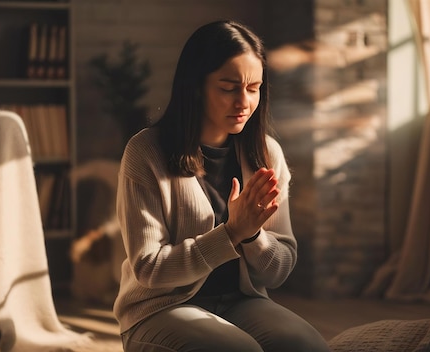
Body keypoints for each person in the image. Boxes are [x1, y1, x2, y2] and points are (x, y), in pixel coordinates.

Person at [113, 19, 331, 352]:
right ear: (197, 86)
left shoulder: (266, 152)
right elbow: (149, 269)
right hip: (159, 309)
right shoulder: (146, 153)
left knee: (308, 345)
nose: (243, 102)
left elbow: (279, 270)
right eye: (229, 87)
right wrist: (230, 234)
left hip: (240, 301)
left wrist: (253, 236)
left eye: (253, 88)